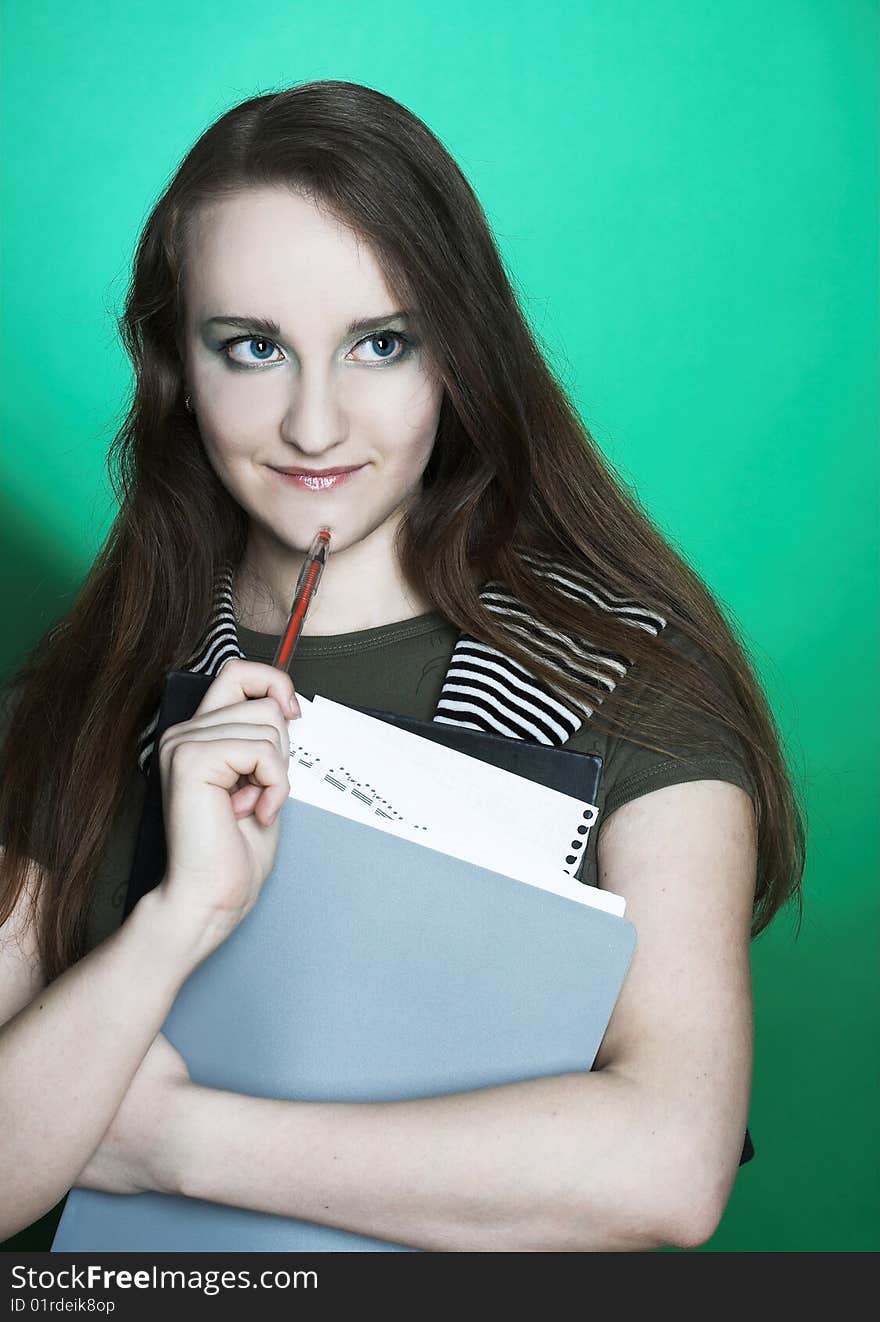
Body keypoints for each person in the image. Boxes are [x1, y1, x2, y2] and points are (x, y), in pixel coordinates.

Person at [0, 78, 805, 1253]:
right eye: (252, 347)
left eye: (379, 343)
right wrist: (178, 918)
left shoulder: (627, 683)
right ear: (178, 363)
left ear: (456, 355)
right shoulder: (80, 697)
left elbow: (666, 1165)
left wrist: (176, 1139)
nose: (314, 425)